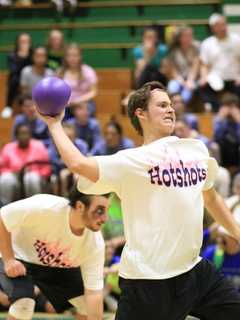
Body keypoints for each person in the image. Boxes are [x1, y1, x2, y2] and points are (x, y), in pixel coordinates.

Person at [38, 81, 240, 320]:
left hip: (194, 271)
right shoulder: (130, 161)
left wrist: (237, 232)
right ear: (140, 114)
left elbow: (211, 197)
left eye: (171, 105)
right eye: (162, 105)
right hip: (148, 283)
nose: (171, 109)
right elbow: (78, 164)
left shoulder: (196, 149)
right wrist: (54, 124)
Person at [0, 188, 109, 320]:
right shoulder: (45, 207)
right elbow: (3, 217)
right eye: (100, 211)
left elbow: (94, 294)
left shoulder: (95, 243)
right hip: (18, 257)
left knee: (87, 304)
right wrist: (9, 260)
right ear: (80, 206)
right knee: (23, 305)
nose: (105, 218)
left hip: (55, 267)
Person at [0, 124, 51, 205]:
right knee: (5, 179)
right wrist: (12, 171)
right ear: (16, 136)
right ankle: (5, 207)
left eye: (26, 133)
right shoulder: (8, 147)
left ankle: (34, 207)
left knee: (30, 178)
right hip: (15, 179)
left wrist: (36, 173)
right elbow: (2, 168)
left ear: (30, 135)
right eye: (21, 133)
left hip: (35, 179)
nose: (24, 136)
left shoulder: (39, 146)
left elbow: (47, 167)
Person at [200, 13, 240, 111]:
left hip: (234, 78)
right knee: (203, 88)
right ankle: (217, 112)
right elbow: (204, 64)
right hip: (216, 78)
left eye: (224, 24)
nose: (223, 28)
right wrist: (204, 77)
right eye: (219, 25)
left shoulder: (237, 40)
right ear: (213, 28)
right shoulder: (207, 43)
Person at [48, 122, 88, 196]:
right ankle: (62, 198)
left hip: (79, 171)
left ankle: (77, 198)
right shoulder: (54, 146)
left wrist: (69, 167)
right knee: (55, 178)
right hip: (59, 171)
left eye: (70, 137)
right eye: (66, 137)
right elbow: (54, 163)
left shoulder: (82, 145)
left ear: (75, 136)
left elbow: (84, 161)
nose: (68, 140)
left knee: (76, 177)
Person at [58, 43, 98, 117]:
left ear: (80, 57)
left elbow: (93, 92)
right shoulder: (60, 72)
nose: (72, 58)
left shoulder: (88, 71)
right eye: (69, 55)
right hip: (66, 106)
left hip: (84, 104)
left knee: (83, 111)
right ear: (65, 57)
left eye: (75, 55)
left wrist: (77, 101)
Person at [2, 33, 32, 119]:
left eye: (27, 41)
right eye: (22, 41)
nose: (24, 44)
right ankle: (8, 106)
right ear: (18, 43)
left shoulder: (33, 53)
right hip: (17, 79)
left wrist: (27, 55)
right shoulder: (12, 55)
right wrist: (23, 56)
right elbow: (15, 70)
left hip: (30, 78)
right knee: (13, 80)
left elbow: (32, 67)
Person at [168, 26, 200, 104]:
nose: (188, 38)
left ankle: (181, 107)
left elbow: (195, 68)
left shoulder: (196, 47)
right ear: (179, 37)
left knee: (188, 91)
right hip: (178, 78)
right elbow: (173, 70)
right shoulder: (173, 50)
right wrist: (182, 82)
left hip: (192, 78)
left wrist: (190, 81)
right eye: (185, 35)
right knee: (172, 87)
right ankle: (172, 106)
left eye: (190, 35)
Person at [213, 93, 240, 171]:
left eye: (232, 107)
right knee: (215, 146)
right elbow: (216, 138)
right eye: (227, 107)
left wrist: (238, 121)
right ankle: (218, 171)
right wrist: (220, 119)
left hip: (236, 148)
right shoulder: (219, 120)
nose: (230, 110)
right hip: (224, 150)